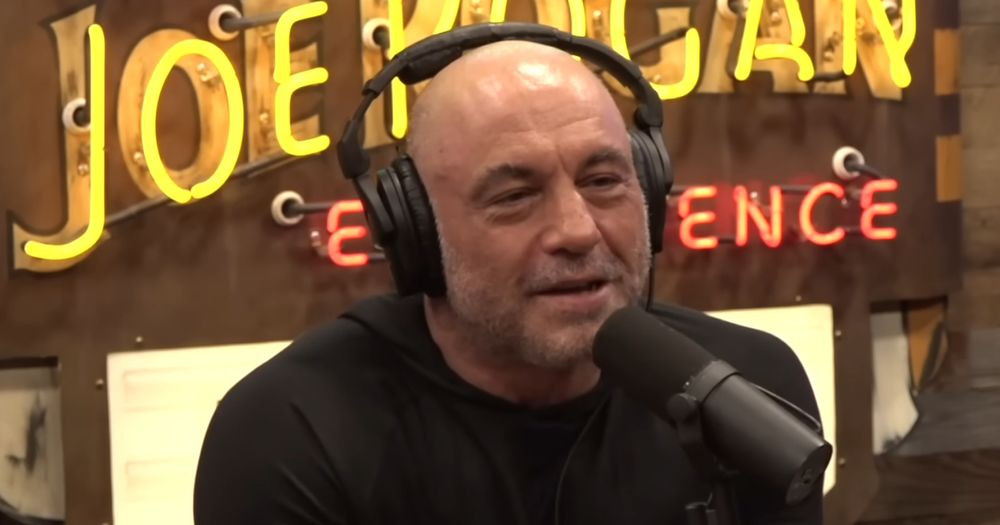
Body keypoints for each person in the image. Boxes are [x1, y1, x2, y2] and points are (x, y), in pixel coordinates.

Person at [193, 31, 824, 525]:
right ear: (417, 231)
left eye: (603, 181)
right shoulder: (292, 434)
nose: (577, 230)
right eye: (515, 196)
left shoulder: (743, 392)